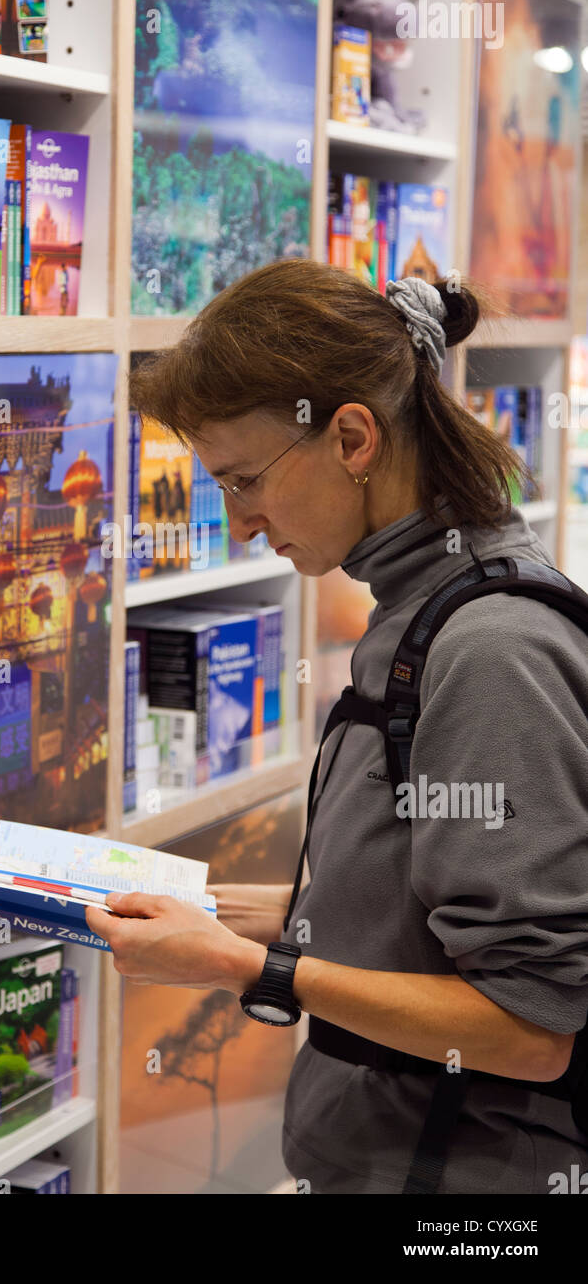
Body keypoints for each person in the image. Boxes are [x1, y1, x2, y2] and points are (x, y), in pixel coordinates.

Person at [85, 257, 588, 1194]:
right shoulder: (417, 609)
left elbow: (531, 1029)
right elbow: (414, 914)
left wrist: (255, 969)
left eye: (243, 481)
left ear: (352, 437)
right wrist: (224, 915)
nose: (239, 524)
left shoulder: (489, 650)